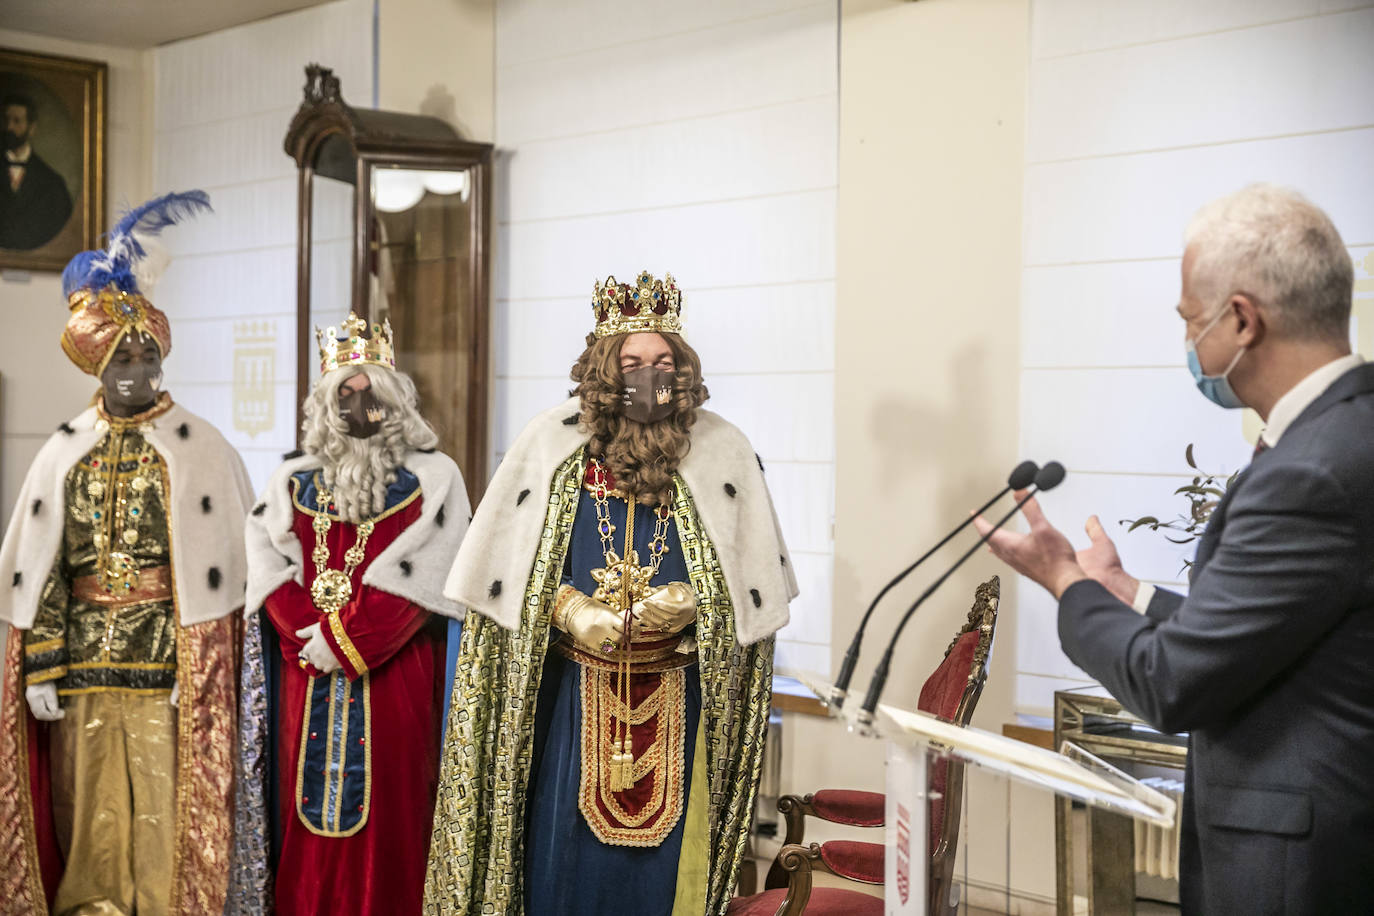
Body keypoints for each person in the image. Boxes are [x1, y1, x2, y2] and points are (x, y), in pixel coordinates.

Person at [976, 184, 1373, 914]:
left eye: (1192, 320)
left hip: (1299, 864)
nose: (1189, 342)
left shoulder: (1309, 470)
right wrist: (1132, 596)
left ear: (1243, 319)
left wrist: (1068, 584)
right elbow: (1281, 627)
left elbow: (1172, 682)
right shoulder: (1346, 433)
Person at [424, 271, 797, 916]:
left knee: (666, 874)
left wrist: (693, 602)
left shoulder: (723, 452)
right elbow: (514, 580)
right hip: (569, 700)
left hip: (683, 700)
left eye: (663, 362)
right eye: (632, 362)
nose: (650, 376)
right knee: (560, 862)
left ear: (683, 369)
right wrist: (571, 609)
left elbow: (746, 589)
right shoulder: (549, 446)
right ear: (603, 368)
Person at [0, 191, 250, 914]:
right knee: (85, 801)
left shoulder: (201, 450)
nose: (138, 371)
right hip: (81, 658)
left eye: (148, 356)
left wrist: (197, 662)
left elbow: (218, 568)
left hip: (164, 660)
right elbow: (45, 566)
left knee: (166, 798)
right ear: (98, 367)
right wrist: (41, 661)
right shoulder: (65, 451)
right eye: (122, 358)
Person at [229, 313, 470, 916]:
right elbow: (265, 561)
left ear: (396, 401)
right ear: (324, 406)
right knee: (300, 815)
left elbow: (431, 574)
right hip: (303, 672)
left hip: (395, 676)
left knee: (394, 811)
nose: (359, 407)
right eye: (345, 394)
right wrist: (302, 631)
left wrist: (345, 638)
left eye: (371, 394)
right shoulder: (292, 480)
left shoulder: (434, 479)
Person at [1, 92, 73, 250]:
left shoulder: (53, 184)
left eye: (17, 121)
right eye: (6, 120)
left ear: (32, 128)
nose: (9, 127)